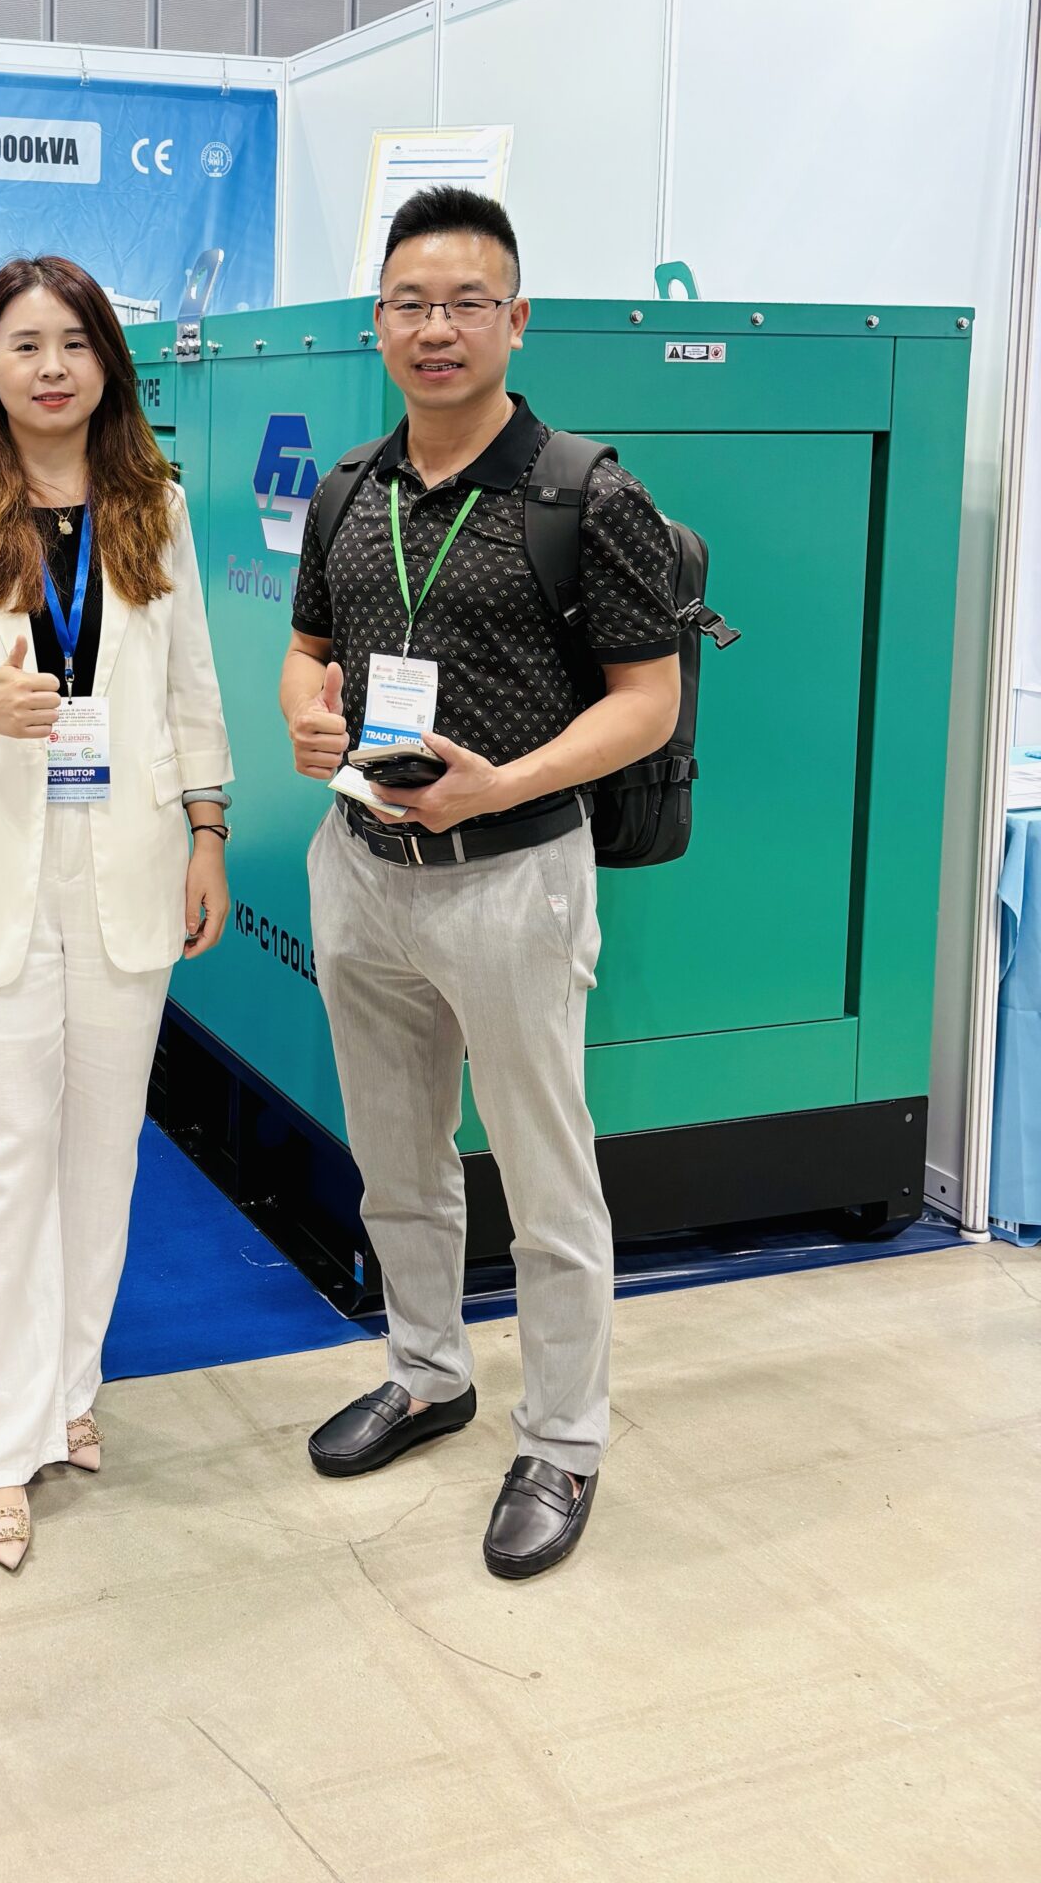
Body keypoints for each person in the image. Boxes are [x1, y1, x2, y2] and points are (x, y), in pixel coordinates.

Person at [282, 186, 681, 1579]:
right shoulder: (350, 488)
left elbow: (648, 702)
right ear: (378, 323)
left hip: (514, 877)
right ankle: (427, 1371)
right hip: (362, 866)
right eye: (410, 303)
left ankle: (563, 1439)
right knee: (397, 1155)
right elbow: (309, 650)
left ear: (516, 319)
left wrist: (501, 784)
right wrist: (306, 715)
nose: (435, 328)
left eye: (465, 303)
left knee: (544, 1172)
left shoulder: (586, 494)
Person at [0, 254, 233, 1570]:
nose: (50, 367)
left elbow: (193, 687)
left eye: (74, 344)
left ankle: (67, 1388)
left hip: (127, 863)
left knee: (101, 1154)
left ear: (106, 366)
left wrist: (208, 832)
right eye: (25, 345)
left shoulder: (156, 510)